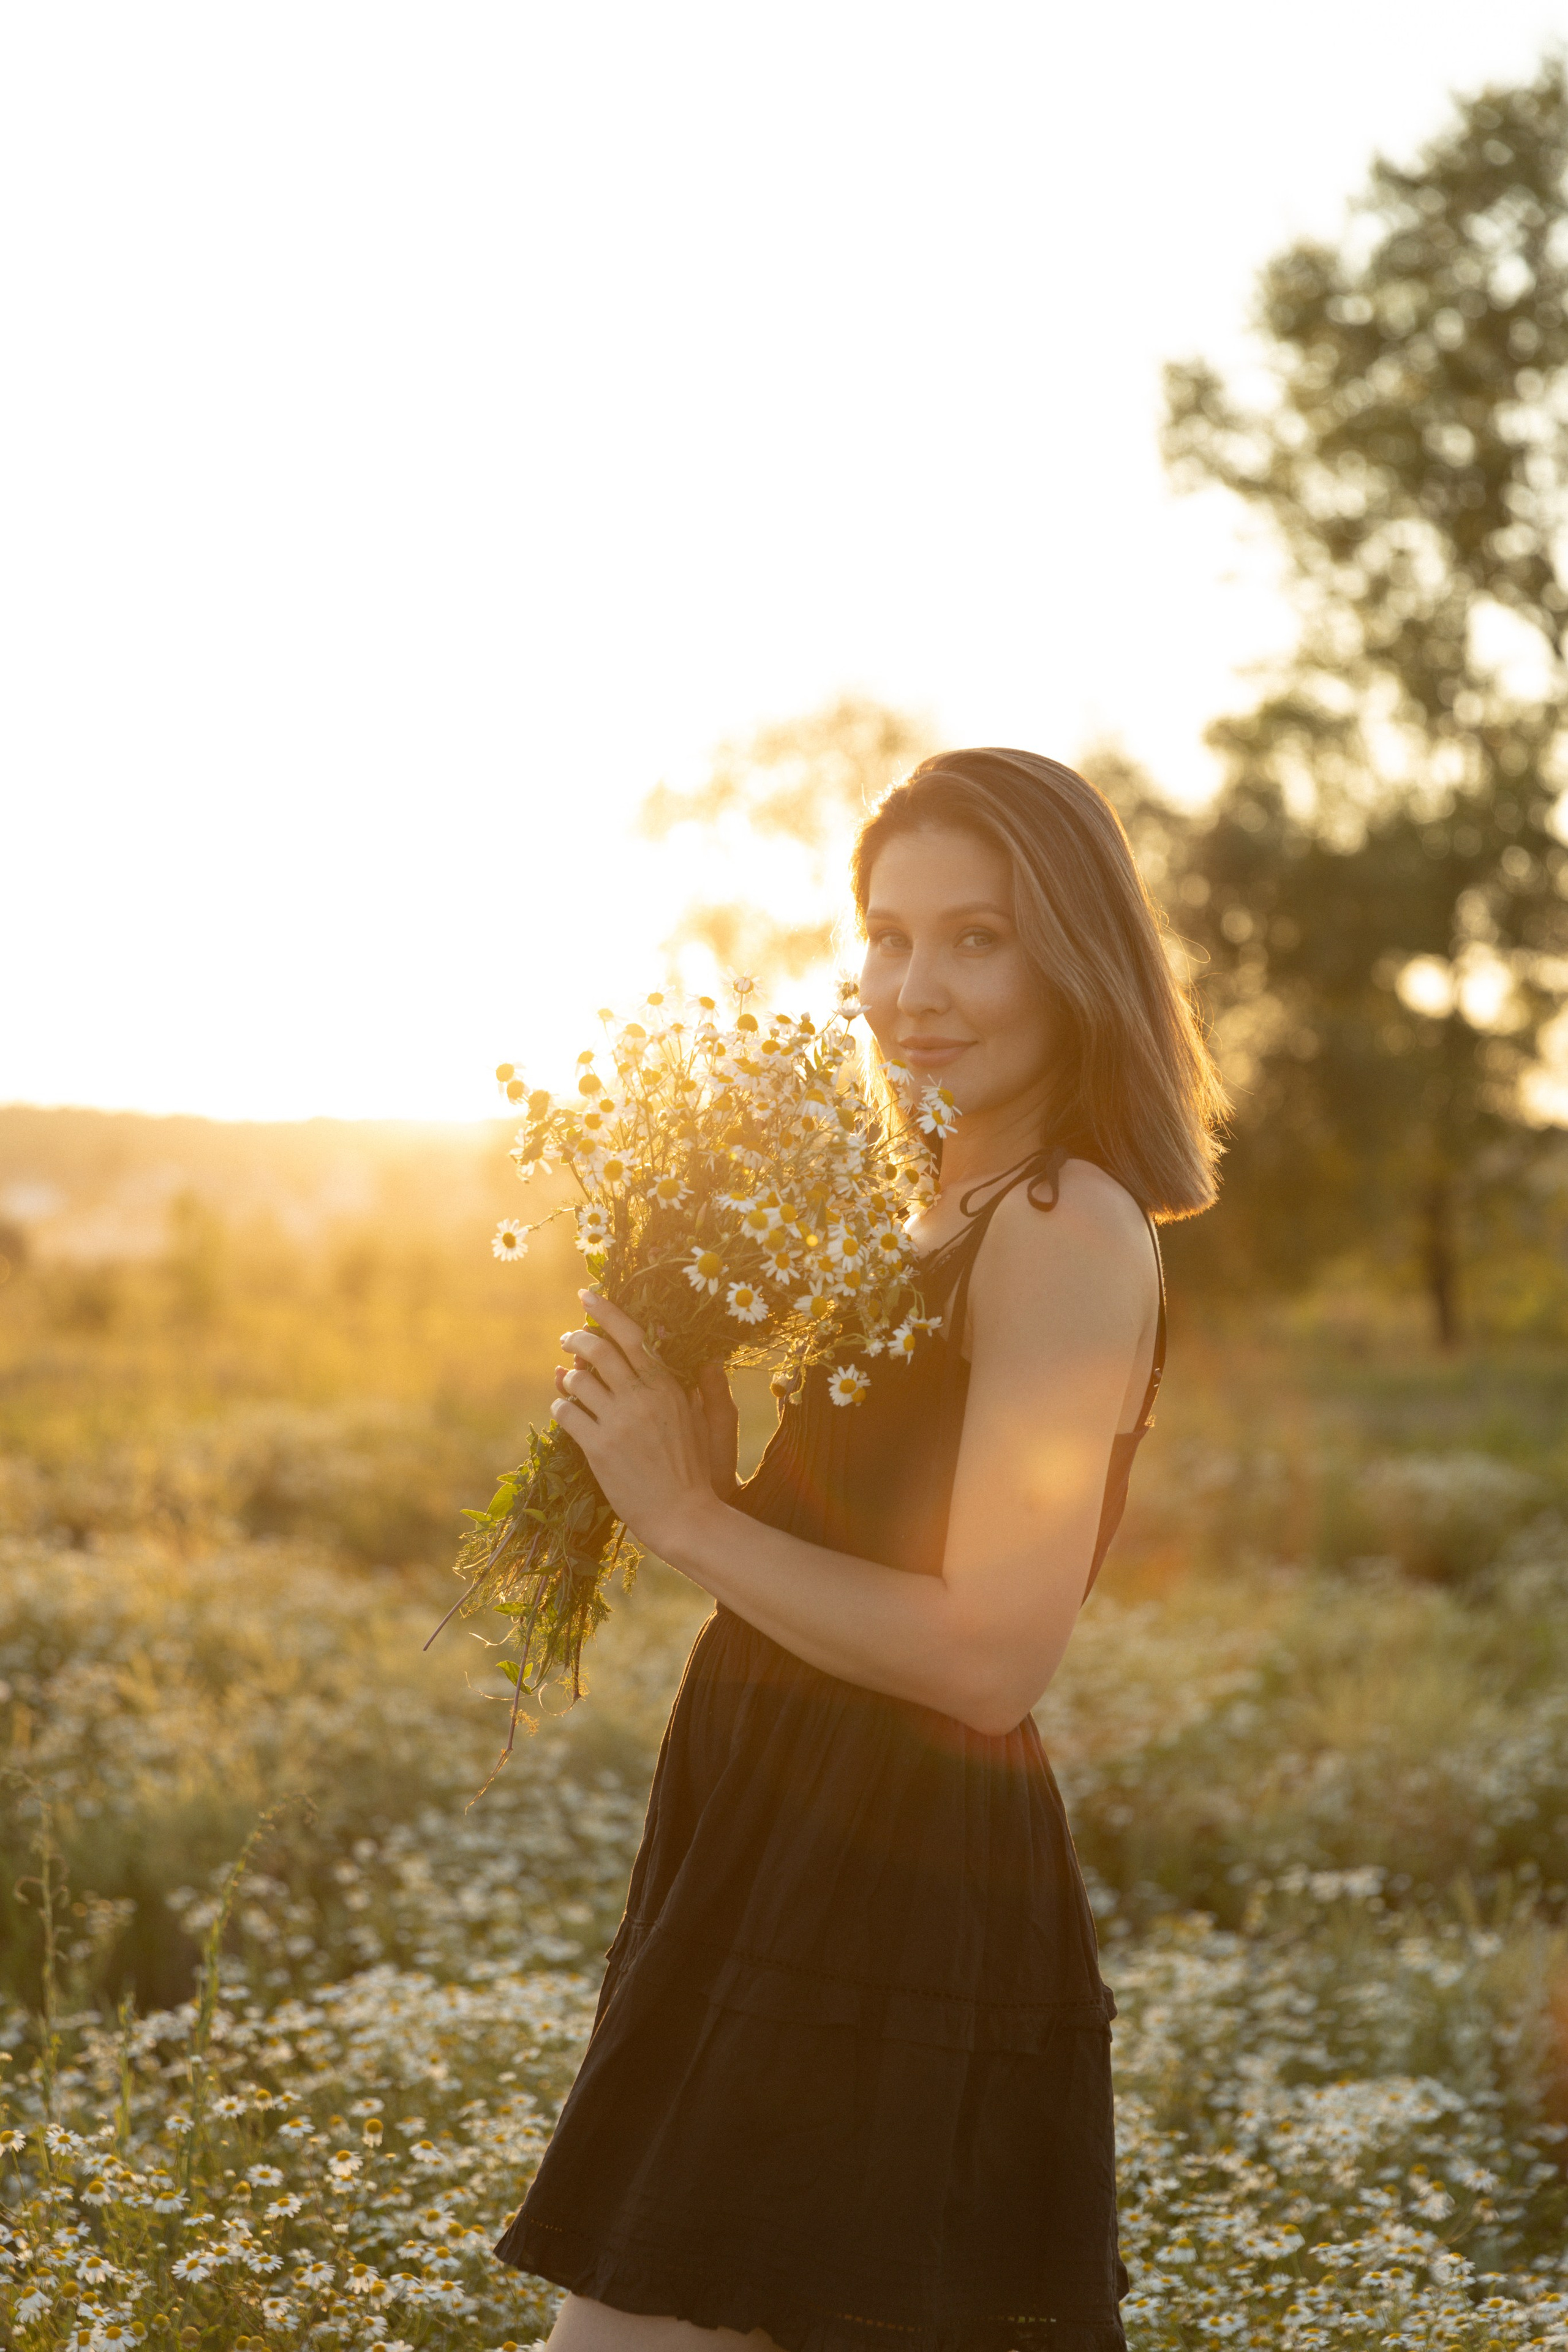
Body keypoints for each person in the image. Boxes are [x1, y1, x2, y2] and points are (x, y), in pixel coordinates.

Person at [494, 748, 1226, 2352]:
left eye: (979, 937)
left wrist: (683, 1518)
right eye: (889, 937)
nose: (917, 987)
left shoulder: (1062, 1227)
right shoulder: (926, 1206)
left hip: (889, 1867)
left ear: (1077, 954)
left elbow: (991, 1654)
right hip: (771, 1818)